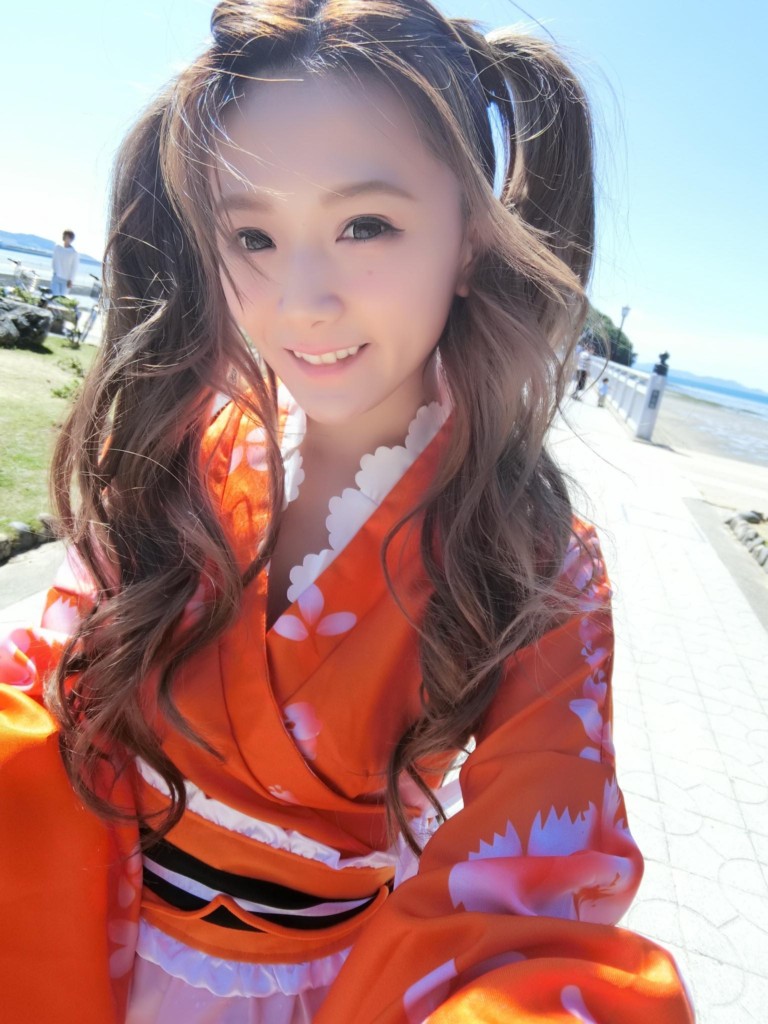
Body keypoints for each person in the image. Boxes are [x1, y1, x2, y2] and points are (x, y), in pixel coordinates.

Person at [0, 2, 695, 1022]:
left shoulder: (533, 559)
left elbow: (540, 891)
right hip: (76, 940)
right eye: (253, 235)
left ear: (472, 238)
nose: (302, 300)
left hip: (326, 994)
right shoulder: (172, 452)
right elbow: (41, 695)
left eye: (365, 225)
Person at [50, 229, 79, 296]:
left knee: (62, 297)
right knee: (55, 296)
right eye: (64, 236)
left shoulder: (74, 253)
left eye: (67, 237)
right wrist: (55, 271)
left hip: (66, 280)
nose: (65, 238)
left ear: (71, 239)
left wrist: (71, 280)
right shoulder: (57, 248)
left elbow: (74, 268)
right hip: (56, 276)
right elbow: (54, 261)